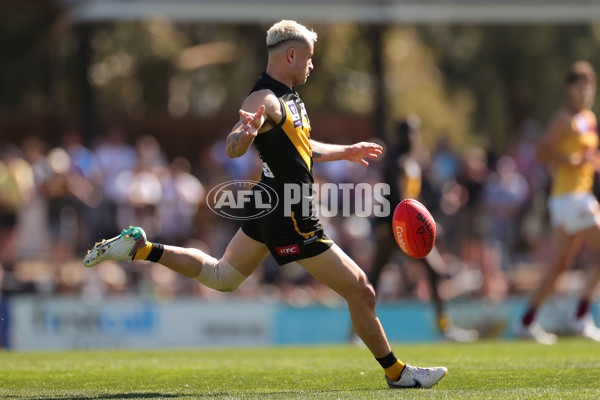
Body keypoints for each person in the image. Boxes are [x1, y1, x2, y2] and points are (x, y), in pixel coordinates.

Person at [83, 20, 447, 389]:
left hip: (269, 201)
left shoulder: (289, 97)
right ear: (290, 55)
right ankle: (396, 373)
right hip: (290, 213)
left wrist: (347, 152)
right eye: (307, 58)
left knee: (221, 276)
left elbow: (303, 146)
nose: (311, 65)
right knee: (361, 289)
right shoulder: (265, 99)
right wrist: (243, 135)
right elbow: (235, 144)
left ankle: (142, 248)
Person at [369, 116, 479, 342]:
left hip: (401, 226)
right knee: (373, 281)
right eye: (409, 132)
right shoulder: (397, 160)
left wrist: (426, 220)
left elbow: (414, 198)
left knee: (376, 280)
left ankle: (444, 328)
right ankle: (443, 328)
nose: (413, 137)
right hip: (396, 229)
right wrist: (411, 225)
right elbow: (396, 199)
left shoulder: (412, 160)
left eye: (415, 132)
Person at [515, 60, 600, 344]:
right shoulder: (564, 118)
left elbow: (587, 157)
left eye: (590, 85)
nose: (587, 91)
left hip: (577, 196)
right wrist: (572, 161)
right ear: (569, 89)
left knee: (559, 266)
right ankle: (580, 315)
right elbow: (541, 152)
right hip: (569, 198)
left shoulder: (589, 118)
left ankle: (526, 321)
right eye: (581, 86)